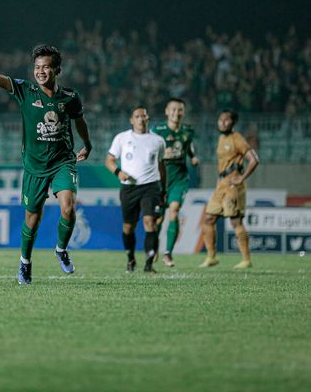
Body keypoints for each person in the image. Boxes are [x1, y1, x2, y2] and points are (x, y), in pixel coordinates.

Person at [0, 45, 92, 284]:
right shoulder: (25, 90)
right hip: (34, 167)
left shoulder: (70, 97)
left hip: (63, 161)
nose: (40, 71)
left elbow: (80, 121)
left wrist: (87, 144)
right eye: (37, 67)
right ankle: (25, 263)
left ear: (57, 69)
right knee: (32, 219)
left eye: (46, 67)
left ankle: (60, 249)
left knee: (68, 208)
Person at [106, 106, 167, 273]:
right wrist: (118, 172)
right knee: (128, 227)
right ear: (132, 120)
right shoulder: (122, 138)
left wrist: (163, 190)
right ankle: (131, 258)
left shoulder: (158, 141)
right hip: (129, 188)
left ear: (148, 119)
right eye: (137, 116)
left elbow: (161, 166)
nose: (141, 119)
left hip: (151, 186)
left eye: (144, 116)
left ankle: (149, 263)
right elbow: (110, 160)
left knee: (150, 223)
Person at [200, 109, 259, 269]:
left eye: (226, 120)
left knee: (235, 221)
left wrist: (241, 177)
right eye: (220, 120)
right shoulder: (221, 138)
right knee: (208, 220)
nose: (222, 123)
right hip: (221, 185)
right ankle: (211, 257)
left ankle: (246, 260)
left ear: (233, 122)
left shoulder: (237, 139)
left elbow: (253, 160)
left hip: (233, 186)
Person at [151, 98, 199, 267]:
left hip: (179, 178)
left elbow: (189, 147)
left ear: (183, 112)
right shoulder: (157, 130)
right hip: (160, 178)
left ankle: (168, 253)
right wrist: (163, 155)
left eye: (179, 110)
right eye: (173, 109)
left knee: (174, 210)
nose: (176, 113)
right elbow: (149, 149)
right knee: (158, 219)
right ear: (166, 111)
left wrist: (193, 158)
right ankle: (154, 248)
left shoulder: (187, 131)